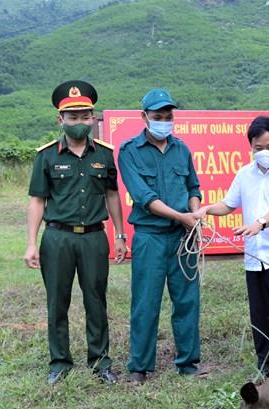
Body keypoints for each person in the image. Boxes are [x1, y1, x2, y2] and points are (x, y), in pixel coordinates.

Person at [24, 80, 126, 385]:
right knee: (57, 300)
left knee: (96, 299)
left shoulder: (105, 155)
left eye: (85, 116)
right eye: (73, 117)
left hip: (95, 237)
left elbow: (112, 196)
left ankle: (100, 362)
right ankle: (59, 362)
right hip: (57, 238)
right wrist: (31, 243)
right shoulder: (46, 156)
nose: (79, 122)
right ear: (61, 120)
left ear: (93, 118)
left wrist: (120, 235)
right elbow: (37, 200)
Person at [195, 115, 269, 376]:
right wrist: (208, 209)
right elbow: (229, 204)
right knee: (260, 317)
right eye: (259, 148)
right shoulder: (245, 174)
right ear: (251, 147)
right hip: (254, 258)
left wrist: (260, 223)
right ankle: (266, 369)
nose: (265, 153)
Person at [118, 88, 202, 383]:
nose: (164, 121)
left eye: (168, 116)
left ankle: (188, 363)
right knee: (145, 301)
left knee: (187, 300)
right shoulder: (129, 151)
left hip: (183, 238)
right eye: (158, 117)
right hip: (150, 237)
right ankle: (139, 366)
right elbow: (144, 197)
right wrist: (183, 217)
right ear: (144, 117)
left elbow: (193, 188)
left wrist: (195, 214)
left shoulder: (182, 149)